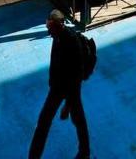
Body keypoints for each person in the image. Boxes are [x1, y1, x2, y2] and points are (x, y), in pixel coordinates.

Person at [29, 10, 91, 159]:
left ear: (59, 25)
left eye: (50, 27)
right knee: (44, 123)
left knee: (77, 120)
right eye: (47, 26)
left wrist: (68, 105)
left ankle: (84, 152)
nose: (48, 30)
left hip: (69, 89)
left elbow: (76, 75)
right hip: (57, 87)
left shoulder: (71, 41)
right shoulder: (57, 37)